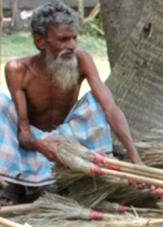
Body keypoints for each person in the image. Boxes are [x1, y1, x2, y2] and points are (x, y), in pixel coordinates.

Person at [1, 1, 141, 204]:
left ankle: (57, 181)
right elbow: (24, 134)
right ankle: (20, 182)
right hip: (32, 143)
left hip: (68, 138)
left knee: (96, 101)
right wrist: (43, 147)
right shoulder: (18, 70)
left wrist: (136, 159)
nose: (72, 46)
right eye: (63, 40)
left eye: (74, 38)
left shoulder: (82, 60)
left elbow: (110, 108)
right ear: (40, 42)